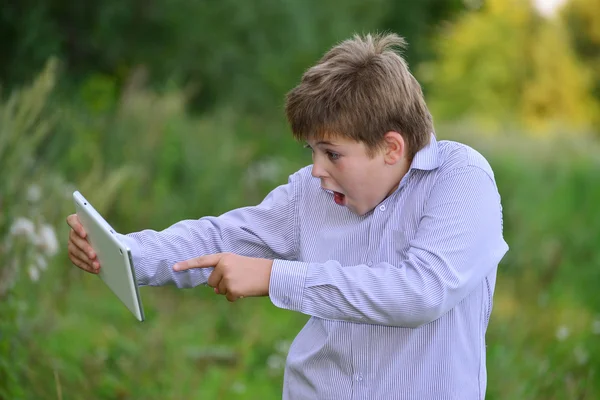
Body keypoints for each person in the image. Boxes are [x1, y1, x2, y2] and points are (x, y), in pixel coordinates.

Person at [67, 33, 509, 400]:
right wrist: (125, 251)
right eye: (313, 151)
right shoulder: (311, 191)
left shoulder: (461, 178)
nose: (317, 170)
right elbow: (223, 237)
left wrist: (274, 277)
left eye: (333, 153)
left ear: (392, 148)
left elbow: (422, 292)